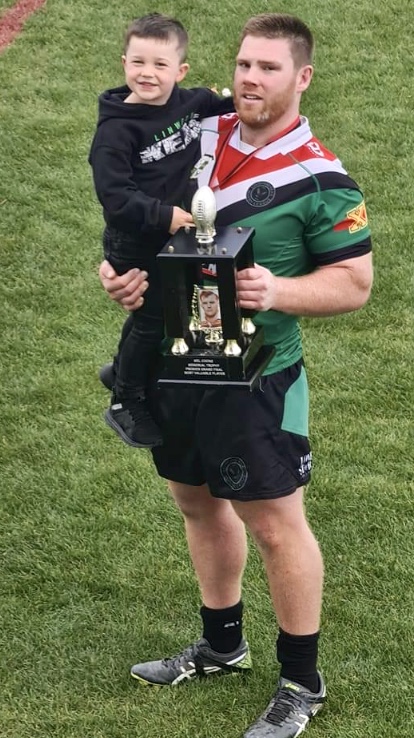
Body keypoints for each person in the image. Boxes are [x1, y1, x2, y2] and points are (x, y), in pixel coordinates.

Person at [99, 13, 373, 738]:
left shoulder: (321, 176)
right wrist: (120, 270)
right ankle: (222, 645)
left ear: (302, 78)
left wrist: (276, 291)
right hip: (179, 361)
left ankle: (300, 682)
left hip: (258, 379)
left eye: (269, 69)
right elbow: (143, 215)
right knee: (195, 502)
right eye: (245, 65)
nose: (251, 79)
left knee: (278, 526)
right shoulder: (200, 130)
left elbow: (355, 283)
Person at [89, 13, 233, 448]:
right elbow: (114, 196)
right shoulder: (116, 130)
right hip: (135, 238)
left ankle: (120, 368)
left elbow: (217, 104)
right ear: (123, 62)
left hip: (172, 234)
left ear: (180, 71)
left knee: (164, 314)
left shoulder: (189, 102)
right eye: (137, 62)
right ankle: (125, 398)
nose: (147, 74)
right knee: (153, 320)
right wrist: (165, 215)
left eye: (159, 65)